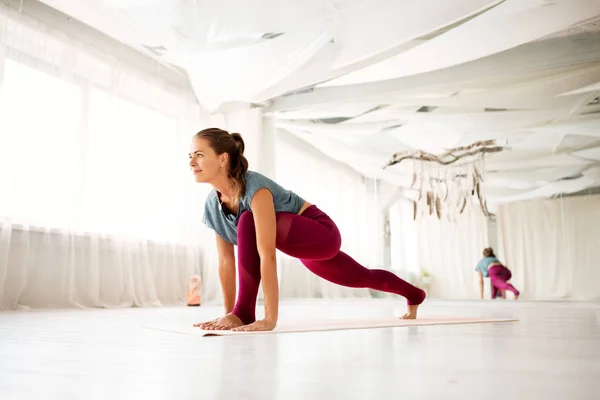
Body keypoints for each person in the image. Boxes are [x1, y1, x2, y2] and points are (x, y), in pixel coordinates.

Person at [189, 128, 427, 332]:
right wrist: (228, 314)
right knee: (361, 276)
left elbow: (267, 255)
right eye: (190, 156)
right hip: (302, 248)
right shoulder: (213, 205)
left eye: (199, 155)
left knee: (246, 220)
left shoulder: (254, 188)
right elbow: (225, 263)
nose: (191, 162)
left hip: (321, 233)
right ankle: (415, 294)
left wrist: (269, 318)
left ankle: (245, 311)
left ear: (222, 159)